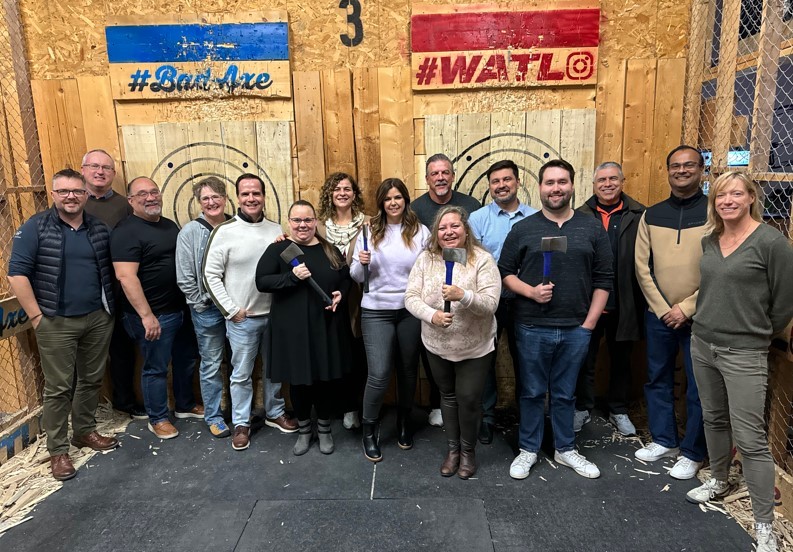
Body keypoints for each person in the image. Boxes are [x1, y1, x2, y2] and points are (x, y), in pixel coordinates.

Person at [685, 172, 793, 552]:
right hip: (703, 343)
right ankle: (718, 479)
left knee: (750, 439)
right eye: (720, 195)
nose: (727, 200)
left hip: (744, 352)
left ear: (750, 198)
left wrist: (754, 332)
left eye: (735, 194)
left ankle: (764, 524)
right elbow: (711, 292)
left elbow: (783, 304)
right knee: (714, 418)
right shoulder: (710, 241)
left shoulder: (771, 243)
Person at [499, 159, 613, 480]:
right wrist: (531, 292)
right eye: (549, 183)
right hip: (531, 326)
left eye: (562, 182)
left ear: (572, 186)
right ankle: (529, 449)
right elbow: (505, 273)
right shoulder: (524, 229)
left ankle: (565, 449)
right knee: (532, 391)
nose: (556, 188)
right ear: (539, 187)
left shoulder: (591, 227)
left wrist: (588, 325)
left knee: (565, 393)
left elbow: (604, 279)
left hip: (576, 328)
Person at [8, 168, 118, 481]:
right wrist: (36, 316)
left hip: (98, 317)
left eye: (77, 191)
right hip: (55, 321)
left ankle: (84, 431)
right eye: (64, 191)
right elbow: (16, 274)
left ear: (86, 194)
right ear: (54, 194)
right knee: (58, 388)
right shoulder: (36, 227)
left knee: (91, 379)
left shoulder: (98, 228)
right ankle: (58, 450)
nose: (71, 196)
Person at [405, 206, 501, 479]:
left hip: (474, 346)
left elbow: (490, 304)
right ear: (436, 233)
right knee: (447, 396)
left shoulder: (481, 259)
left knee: (468, 398)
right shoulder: (426, 259)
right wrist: (431, 315)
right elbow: (410, 297)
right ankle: (453, 449)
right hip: (437, 344)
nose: (449, 232)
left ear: (466, 230)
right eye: (443, 228)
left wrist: (463, 295)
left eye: (455, 226)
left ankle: (468, 452)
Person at [203, 174, 297, 451]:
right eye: (245, 194)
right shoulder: (224, 231)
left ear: (264, 196)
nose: (251, 198)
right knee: (241, 373)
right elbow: (210, 275)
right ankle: (241, 422)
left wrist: (288, 244)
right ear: (238, 198)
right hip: (243, 318)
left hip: (274, 314)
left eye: (256, 193)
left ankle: (274, 412)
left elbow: (291, 263)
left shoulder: (274, 229)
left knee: (274, 370)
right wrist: (231, 310)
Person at [634, 145, 708, 480]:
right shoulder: (652, 215)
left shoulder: (714, 213)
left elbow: (719, 269)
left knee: (699, 385)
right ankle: (665, 440)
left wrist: (687, 307)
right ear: (668, 171)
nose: (682, 170)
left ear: (701, 170)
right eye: (675, 166)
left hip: (701, 315)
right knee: (657, 378)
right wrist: (664, 309)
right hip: (659, 314)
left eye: (689, 165)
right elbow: (641, 267)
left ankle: (693, 452)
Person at [256, 200, 351, 456]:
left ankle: (324, 430)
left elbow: (345, 279)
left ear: (316, 222)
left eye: (308, 220)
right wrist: (291, 277)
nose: (302, 225)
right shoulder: (279, 250)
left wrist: (340, 294)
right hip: (293, 329)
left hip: (325, 325)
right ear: (289, 223)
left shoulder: (329, 249)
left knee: (323, 380)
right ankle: (304, 430)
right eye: (297, 220)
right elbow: (262, 281)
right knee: (299, 382)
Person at [111, 177, 202, 440]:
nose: (150, 198)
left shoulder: (169, 225)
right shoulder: (126, 231)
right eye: (142, 194)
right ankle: (158, 418)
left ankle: (184, 405)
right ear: (131, 201)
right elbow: (126, 276)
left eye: (154, 192)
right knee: (156, 367)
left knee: (186, 359)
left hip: (180, 309)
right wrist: (146, 316)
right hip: (152, 315)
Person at [349, 178, 430, 462]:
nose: (393, 203)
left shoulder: (420, 231)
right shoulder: (368, 231)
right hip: (376, 311)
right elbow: (357, 279)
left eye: (398, 197)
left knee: (408, 370)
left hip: (410, 310)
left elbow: (427, 271)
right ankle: (369, 430)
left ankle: (404, 422)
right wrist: (361, 263)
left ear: (405, 200)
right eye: (387, 199)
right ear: (381, 203)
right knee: (380, 373)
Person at [573, 162, 646, 436]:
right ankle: (582, 408)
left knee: (622, 360)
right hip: (588, 302)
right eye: (601, 179)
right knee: (584, 359)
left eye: (612, 179)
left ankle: (619, 410)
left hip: (624, 300)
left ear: (622, 181)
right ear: (594, 185)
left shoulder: (639, 214)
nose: (607, 184)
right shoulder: (580, 214)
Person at [468, 159, 538, 444]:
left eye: (507, 180)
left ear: (518, 182)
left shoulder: (536, 218)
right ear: (489, 186)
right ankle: (487, 417)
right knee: (486, 360)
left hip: (525, 300)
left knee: (526, 361)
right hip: (489, 301)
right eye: (495, 181)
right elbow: (468, 261)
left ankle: (527, 420)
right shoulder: (477, 219)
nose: (501, 185)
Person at [411, 153, 481, 427]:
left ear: (452, 176)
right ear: (427, 178)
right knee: (434, 349)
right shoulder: (416, 208)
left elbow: (475, 244)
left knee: (471, 352)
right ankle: (437, 403)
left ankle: (473, 410)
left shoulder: (471, 205)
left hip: (466, 284)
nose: (440, 178)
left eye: (445, 173)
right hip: (430, 285)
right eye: (434, 174)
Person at [80, 149, 140, 419]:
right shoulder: (73, 202)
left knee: (123, 351)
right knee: (86, 356)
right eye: (94, 166)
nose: (100, 172)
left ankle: (123, 403)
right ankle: (83, 414)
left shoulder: (123, 206)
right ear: (83, 170)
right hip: (86, 293)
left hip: (118, 291)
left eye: (106, 168)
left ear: (114, 174)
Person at [176, 177, 232, 438]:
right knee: (211, 364)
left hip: (237, 308)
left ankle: (239, 412)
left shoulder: (236, 225)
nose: (211, 202)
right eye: (205, 198)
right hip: (208, 309)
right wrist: (199, 303)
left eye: (216, 196)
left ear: (225, 198)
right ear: (199, 203)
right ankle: (214, 415)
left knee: (240, 362)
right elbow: (185, 275)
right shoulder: (190, 232)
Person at [316, 172, 370, 431]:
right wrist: (281, 239)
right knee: (331, 353)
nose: (342, 193)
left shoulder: (369, 223)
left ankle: (353, 407)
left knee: (357, 355)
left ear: (354, 194)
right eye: (336, 189)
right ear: (329, 193)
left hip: (359, 299)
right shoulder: (318, 226)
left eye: (347, 188)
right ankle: (334, 407)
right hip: (326, 299)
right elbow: (299, 243)